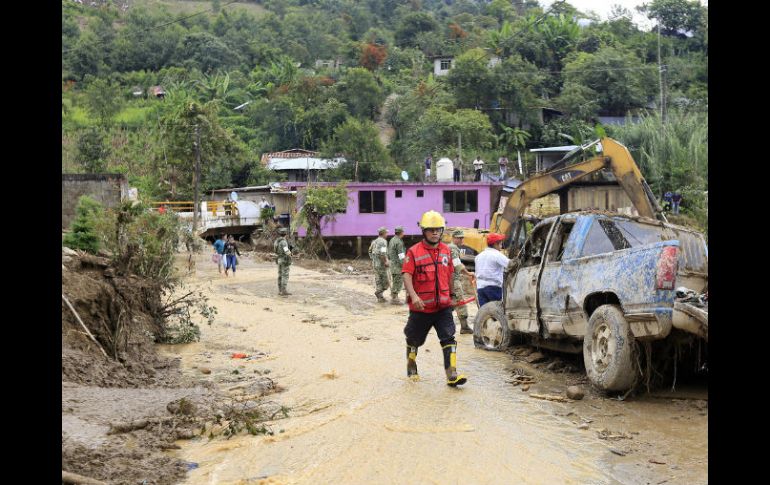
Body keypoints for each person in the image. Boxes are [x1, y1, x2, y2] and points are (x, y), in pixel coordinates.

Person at [402, 210, 467, 387]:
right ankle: (411, 366)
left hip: (443, 307)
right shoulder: (413, 252)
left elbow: (450, 274)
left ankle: (451, 373)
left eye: (438, 229)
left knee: (448, 338)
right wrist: (414, 296)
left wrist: (453, 296)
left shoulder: (446, 251)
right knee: (414, 340)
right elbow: (407, 275)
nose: (435, 232)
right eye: (431, 230)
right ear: (423, 231)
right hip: (421, 308)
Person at [447, 230, 475, 334]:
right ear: (453, 238)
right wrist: (468, 273)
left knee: (452, 302)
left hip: (449, 279)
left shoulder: (448, 247)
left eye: (462, 238)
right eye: (459, 238)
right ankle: (464, 326)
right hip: (454, 280)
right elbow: (457, 264)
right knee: (460, 302)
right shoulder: (453, 248)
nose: (461, 240)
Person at [474, 233, 510, 307]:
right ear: (496, 244)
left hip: (480, 287)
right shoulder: (497, 255)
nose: (501, 246)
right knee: (497, 311)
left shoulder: (478, 256)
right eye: (500, 243)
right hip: (493, 287)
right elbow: (510, 265)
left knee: (485, 312)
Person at [368, 227, 390, 303]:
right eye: (386, 233)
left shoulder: (374, 241)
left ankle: (380, 298)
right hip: (381, 264)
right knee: (386, 282)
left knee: (378, 280)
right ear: (383, 233)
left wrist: (373, 259)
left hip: (375, 264)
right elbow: (383, 254)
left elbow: (370, 251)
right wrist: (385, 262)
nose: (387, 234)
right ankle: (379, 292)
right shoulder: (383, 241)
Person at [388, 226, 407, 305]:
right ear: (401, 233)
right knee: (398, 281)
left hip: (392, 264)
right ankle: (394, 298)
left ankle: (394, 296)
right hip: (398, 265)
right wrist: (405, 265)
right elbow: (401, 255)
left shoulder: (392, 240)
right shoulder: (399, 242)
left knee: (395, 281)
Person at [274, 227, 293, 296]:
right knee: (285, 275)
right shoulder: (283, 242)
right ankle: (284, 291)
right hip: (284, 260)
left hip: (279, 259)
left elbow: (275, 251)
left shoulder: (277, 241)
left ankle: (280, 290)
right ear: (285, 234)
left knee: (280, 275)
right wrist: (291, 255)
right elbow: (286, 251)